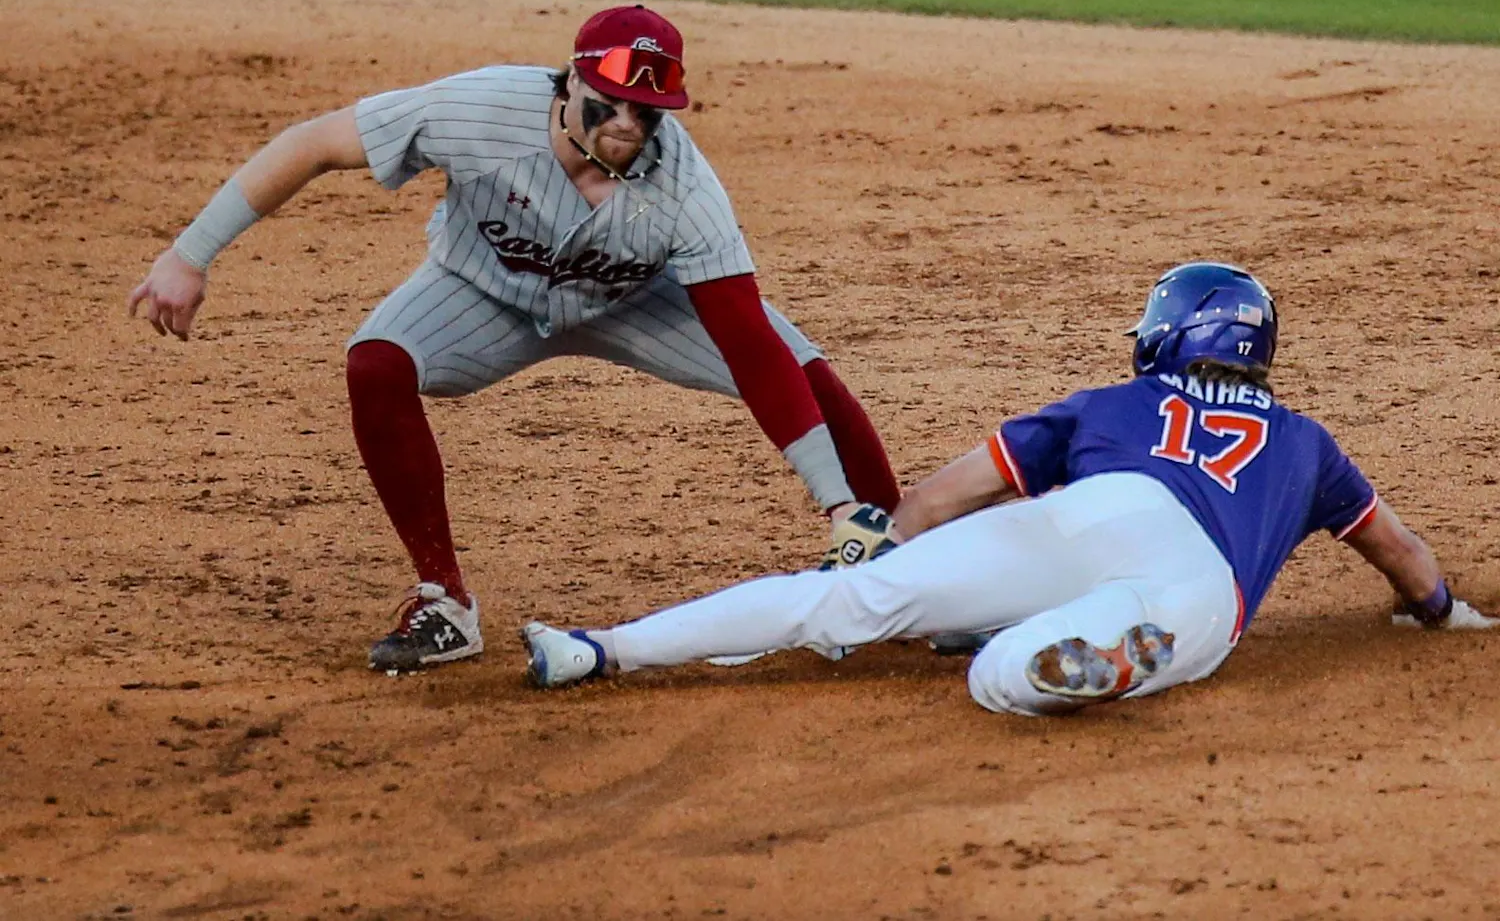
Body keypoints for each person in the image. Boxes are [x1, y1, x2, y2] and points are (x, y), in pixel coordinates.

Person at [127, 4, 901, 673]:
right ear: (570, 84)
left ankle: (905, 559)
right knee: (377, 364)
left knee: (810, 375)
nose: (628, 124)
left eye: (648, 110)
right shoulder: (478, 110)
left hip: (635, 301)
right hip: (482, 292)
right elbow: (314, 142)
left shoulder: (685, 190)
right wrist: (188, 254)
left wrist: (835, 502)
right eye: (610, 102)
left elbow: (747, 339)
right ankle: (443, 602)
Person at [522, 262, 1495, 715]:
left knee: (842, 603)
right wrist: (1441, 613)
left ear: (1169, 335)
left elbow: (949, 491)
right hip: (1202, 586)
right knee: (999, 682)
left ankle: (600, 650)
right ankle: (1070, 657)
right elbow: (1400, 554)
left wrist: (884, 548)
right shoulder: (1307, 443)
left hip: (1091, 510)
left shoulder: (1114, 400)